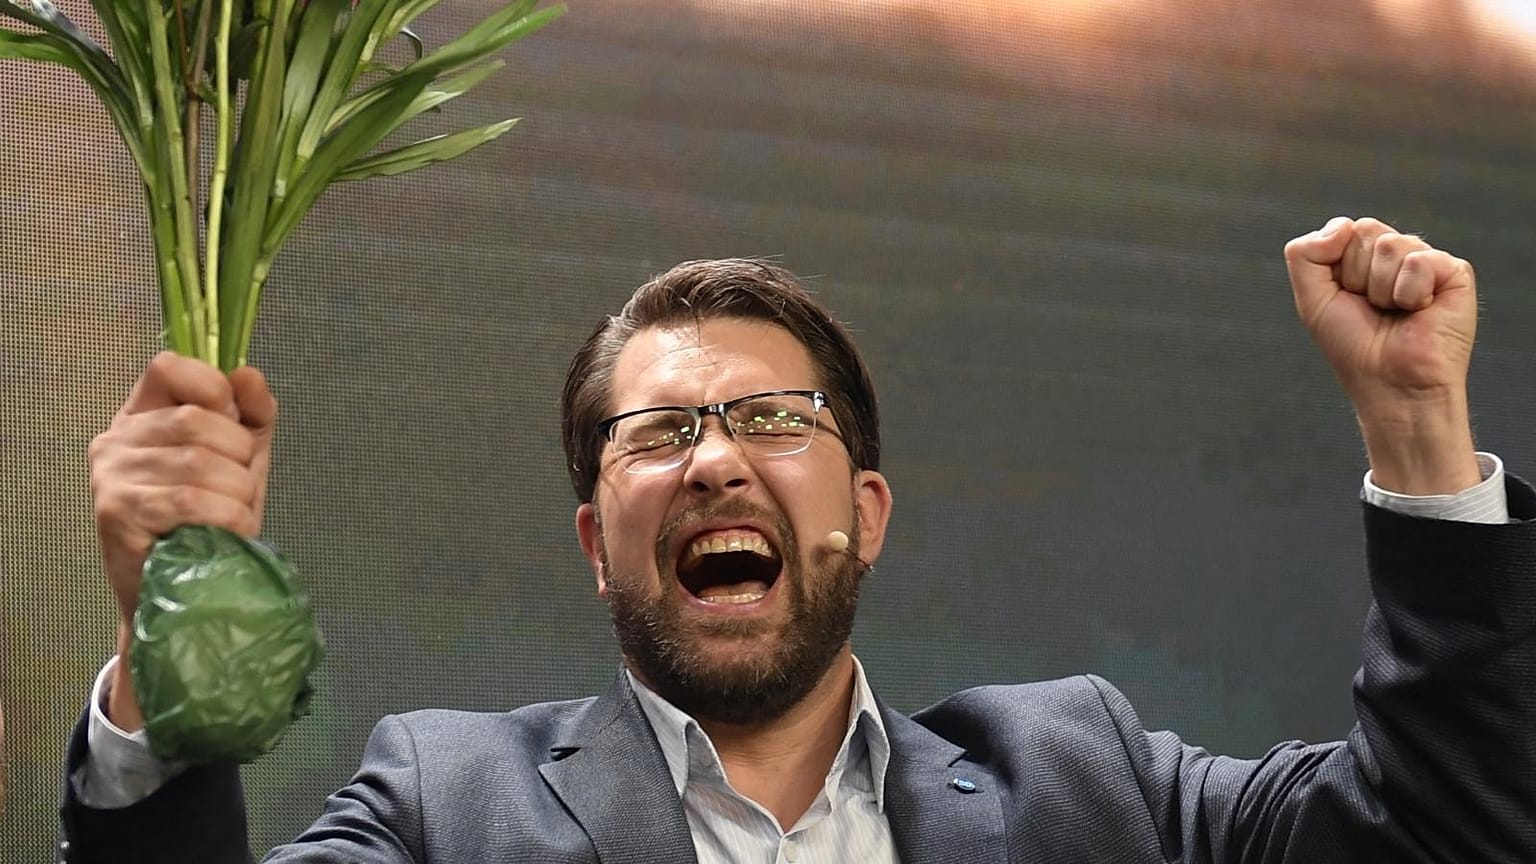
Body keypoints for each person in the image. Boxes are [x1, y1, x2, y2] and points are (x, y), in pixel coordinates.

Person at [57, 217, 1534, 863]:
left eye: (772, 421)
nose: (711, 459)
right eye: (657, 434)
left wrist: (1415, 424)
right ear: (594, 541)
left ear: (866, 513)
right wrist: (163, 658)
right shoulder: (444, 805)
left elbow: (1443, 834)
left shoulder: (1087, 779)